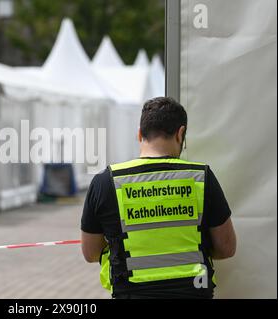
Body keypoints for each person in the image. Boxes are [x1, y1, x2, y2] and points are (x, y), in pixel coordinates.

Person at [80, 97, 236, 299]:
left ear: (139, 134)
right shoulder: (202, 177)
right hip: (193, 293)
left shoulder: (106, 181)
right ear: (180, 134)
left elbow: (90, 252)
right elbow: (226, 247)